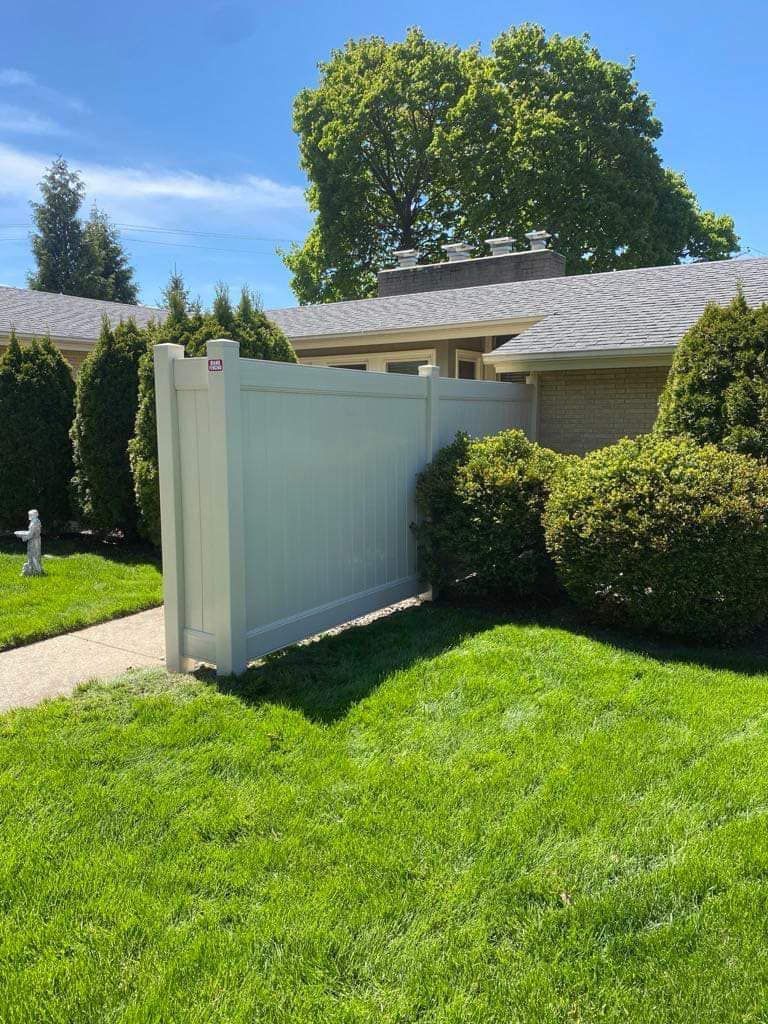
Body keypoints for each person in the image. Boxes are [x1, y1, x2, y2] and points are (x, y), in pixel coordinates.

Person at [14, 509, 43, 576]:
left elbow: (30, 534)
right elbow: (31, 533)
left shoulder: (34, 523)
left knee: (33, 555)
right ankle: (35, 569)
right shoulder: (37, 521)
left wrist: (23, 537)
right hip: (36, 540)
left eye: (30, 515)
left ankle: (35, 570)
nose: (29, 516)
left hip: (33, 541)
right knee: (35, 554)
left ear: (34, 515)